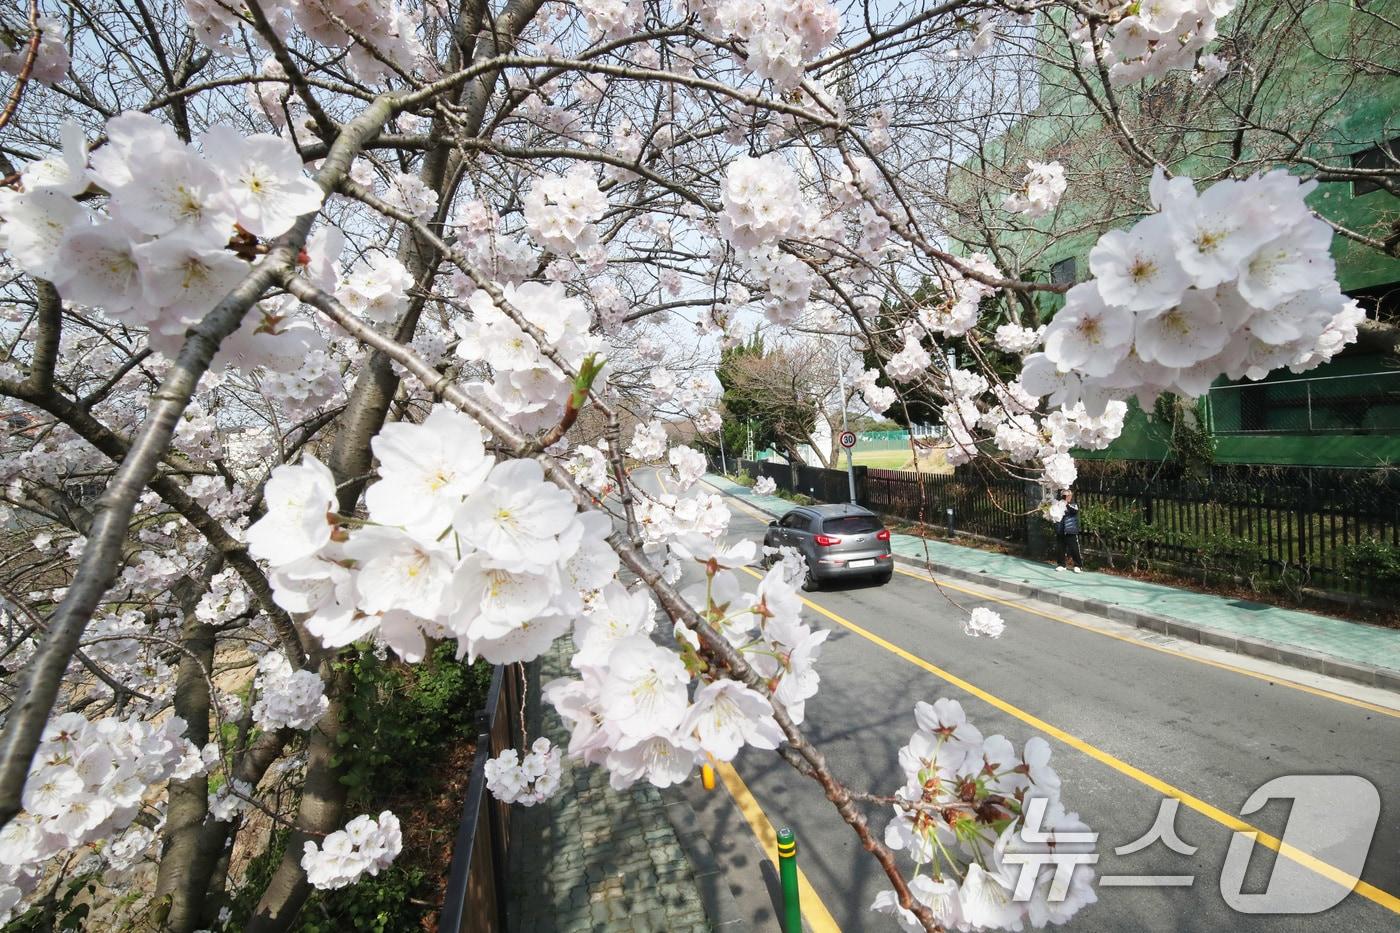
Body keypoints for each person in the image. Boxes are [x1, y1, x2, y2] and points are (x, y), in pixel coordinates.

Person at [1054, 489, 1084, 573]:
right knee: (1060, 548)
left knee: (1074, 549)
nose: (1066, 497)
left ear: (1070, 496)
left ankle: (1078, 565)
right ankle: (1061, 564)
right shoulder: (1058, 505)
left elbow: (1074, 511)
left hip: (1070, 530)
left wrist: (1066, 504)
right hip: (1060, 530)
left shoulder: (1073, 505)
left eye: (1067, 495)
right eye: (1064, 495)